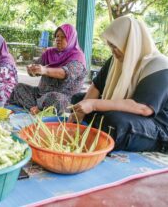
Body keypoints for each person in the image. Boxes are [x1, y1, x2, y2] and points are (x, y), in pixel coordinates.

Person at [69, 16, 168, 152]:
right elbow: (96, 86)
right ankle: (99, 127)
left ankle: (157, 143)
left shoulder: (159, 64)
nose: (113, 51)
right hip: (125, 111)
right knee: (78, 100)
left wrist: (93, 105)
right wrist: (80, 111)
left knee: (114, 123)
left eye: (115, 46)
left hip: (155, 124)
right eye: (110, 46)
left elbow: (143, 108)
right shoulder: (116, 60)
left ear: (130, 43)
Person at [8, 24, 87, 114]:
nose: (58, 39)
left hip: (64, 97)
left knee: (57, 99)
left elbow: (65, 73)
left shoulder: (78, 56)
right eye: (57, 36)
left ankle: (40, 108)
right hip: (40, 95)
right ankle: (40, 108)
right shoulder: (49, 53)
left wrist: (45, 70)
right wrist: (32, 70)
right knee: (19, 88)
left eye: (63, 37)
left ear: (71, 38)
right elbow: (37, 68)